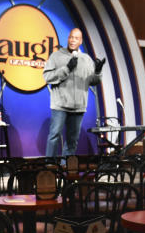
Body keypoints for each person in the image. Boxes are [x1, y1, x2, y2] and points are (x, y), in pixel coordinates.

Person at [42, 28, 105, 157]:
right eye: (71, 37)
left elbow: (92, 81)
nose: (73, 40)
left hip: (78, 108)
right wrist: (67, 68)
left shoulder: (87, 59)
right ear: (68, 38)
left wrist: (98, 71)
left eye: (76, 38)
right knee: (54, 136)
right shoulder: (56, 56)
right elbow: (47, 77)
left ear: (80, 41)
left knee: (72, 141)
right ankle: (49, 169)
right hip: (60, 106)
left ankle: (66, 170)